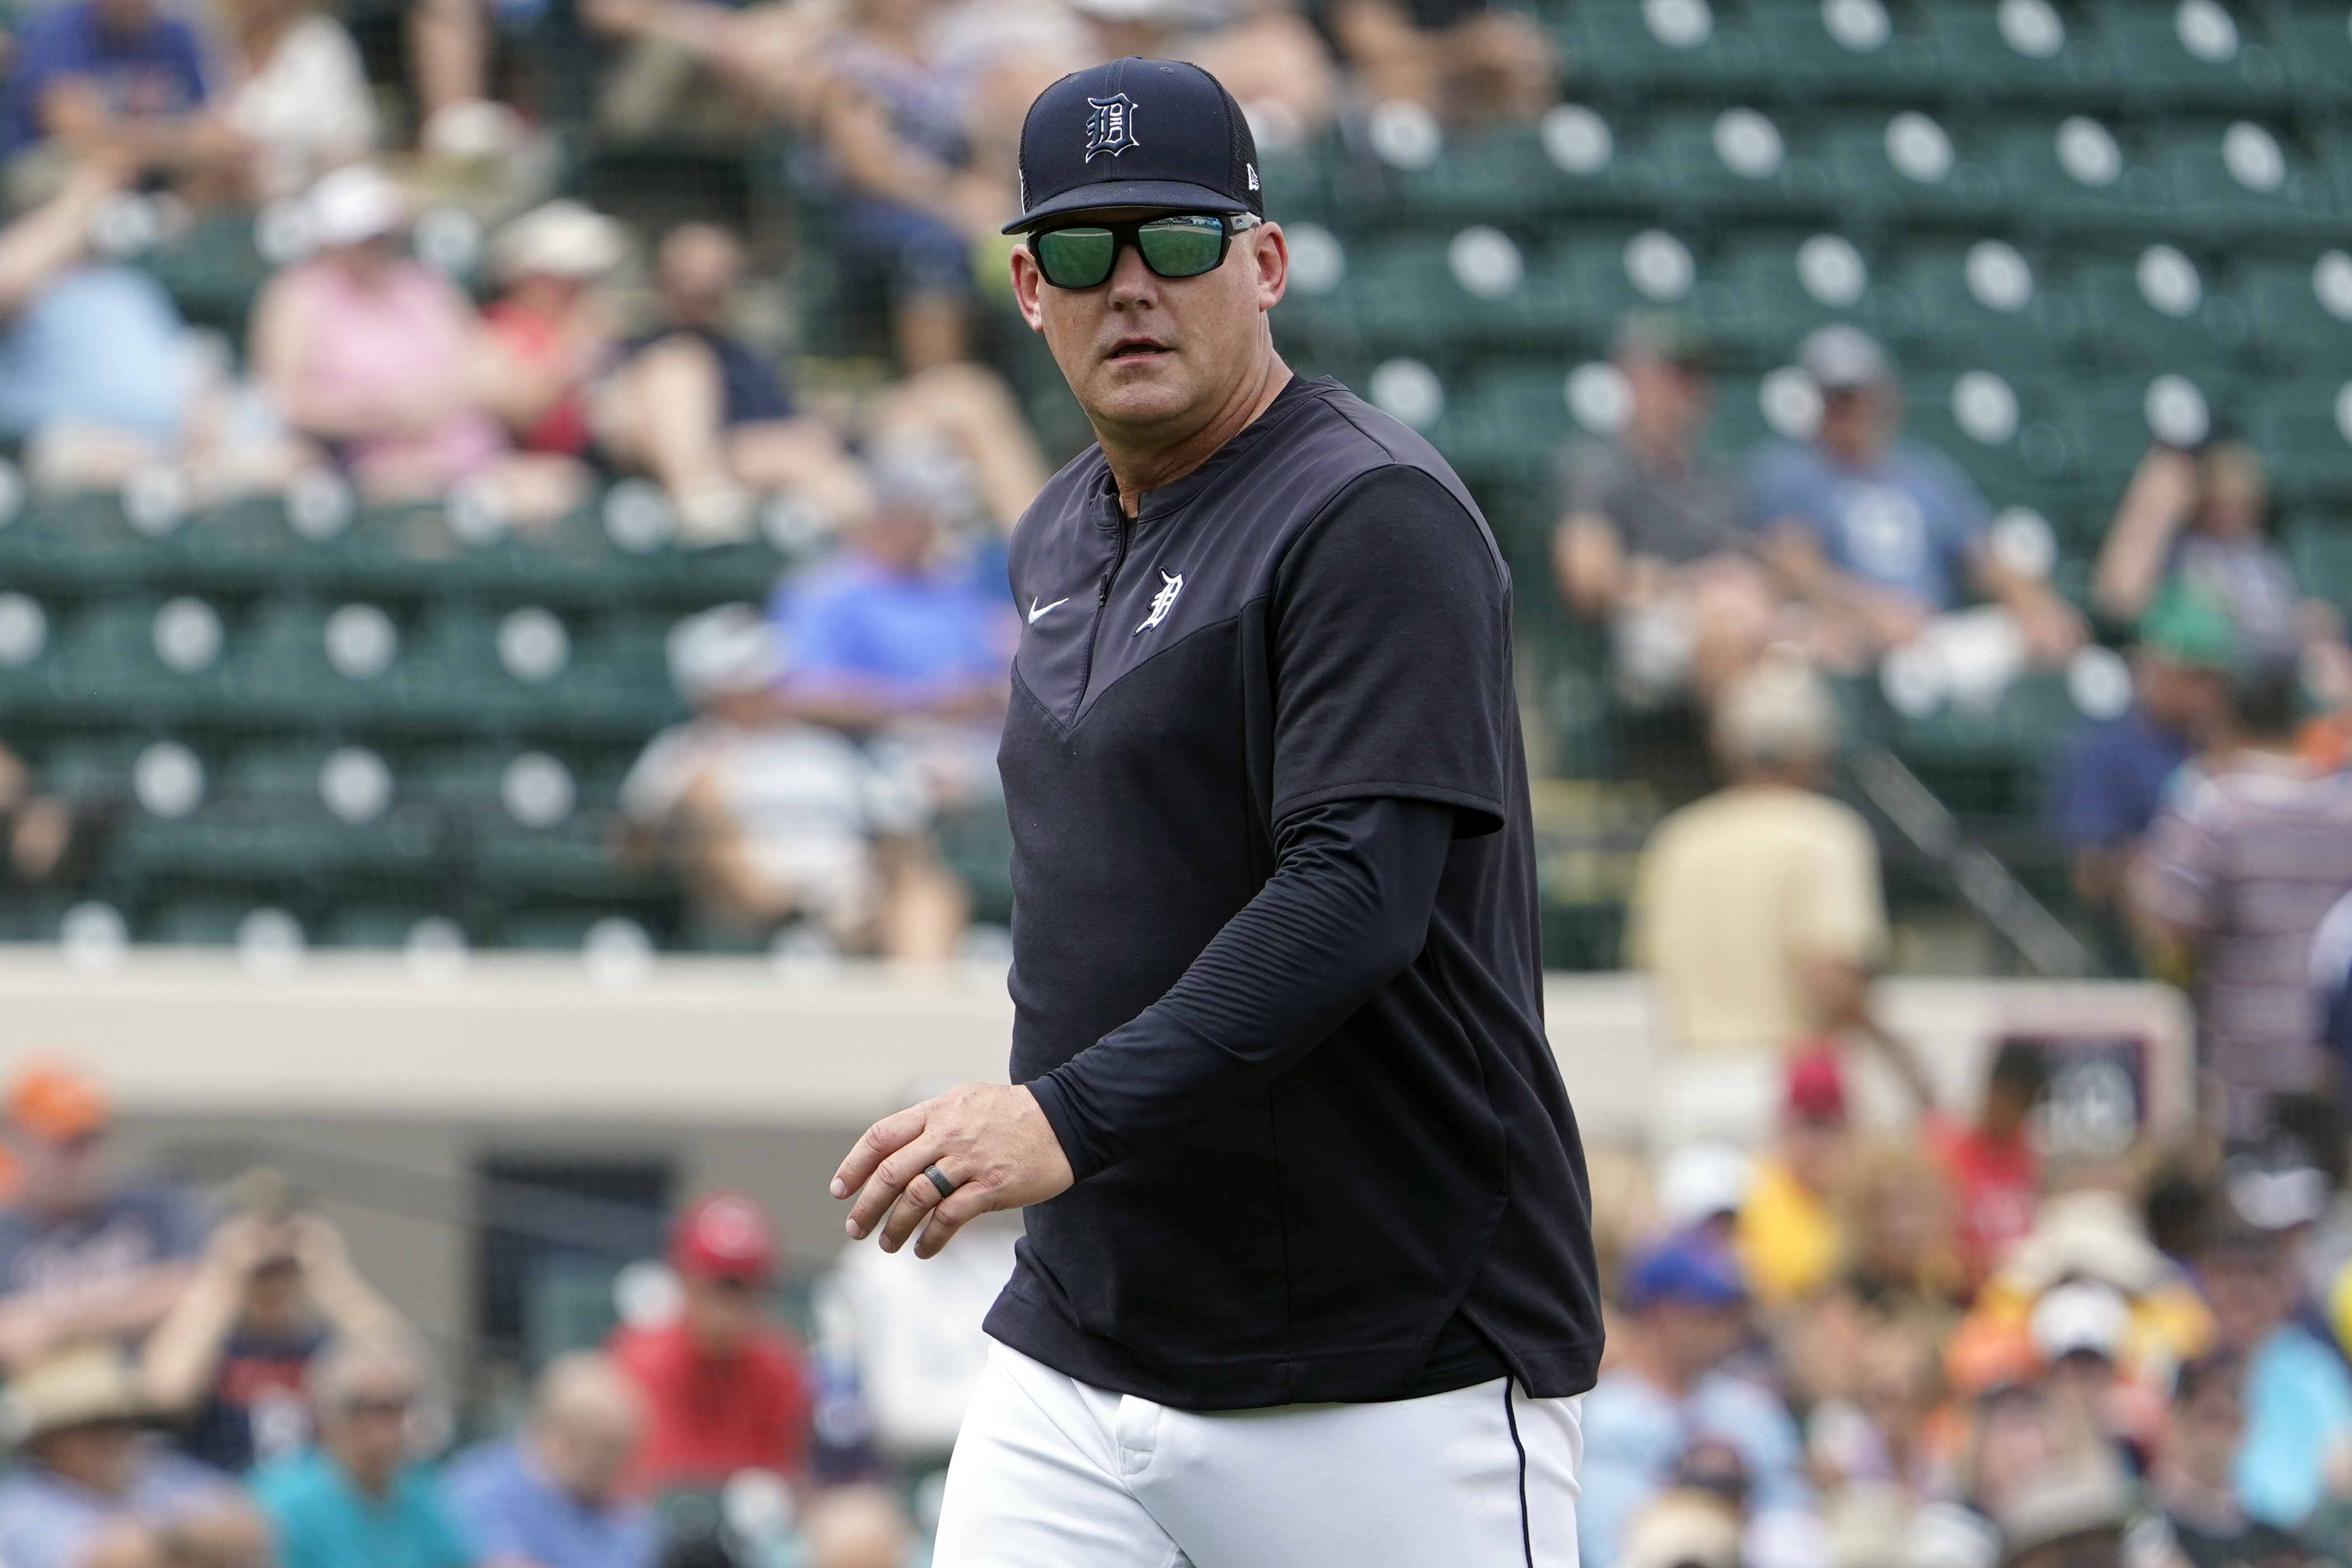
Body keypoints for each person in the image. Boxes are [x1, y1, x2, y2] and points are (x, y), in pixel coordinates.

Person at [828, 58, 1599, 1566]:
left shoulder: (1368, 514)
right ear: (1023, 289)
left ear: (1261, 264)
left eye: (1174, 242)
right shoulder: (1054, 527)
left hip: (1386, 1361)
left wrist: (1061, 1113)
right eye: (1077, 250)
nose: (1130, 288)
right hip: (1083, 1344)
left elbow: (1351, 899)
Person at [1626, 658, 1891, 1148]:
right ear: (1812, 749)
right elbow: (1829, 978)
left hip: (1687, 1083)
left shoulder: (1679, 839)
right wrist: (1901, 1058)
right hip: (1788, 1092)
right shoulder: (1826, 832)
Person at [1748, 325, 2083, 671]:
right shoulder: (1789, 472)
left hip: (1932, 634)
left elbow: (1986, 556)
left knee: (2044, 635)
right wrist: (1873, 609)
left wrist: (2032, 603)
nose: (1852, 411)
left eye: (1859, 395)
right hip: (1847, 631)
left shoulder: (1925, 474)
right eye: (1838, 399)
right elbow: (1794, 569)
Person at [249, 165, 566, 511]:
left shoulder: (423, 285)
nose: (374, 248)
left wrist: (448, 395)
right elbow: (286, 401)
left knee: (558, 488)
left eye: (382, 235)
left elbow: (488, 367)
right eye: (363, 238)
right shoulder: (301, 295)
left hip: (470, 458)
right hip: (367, 468)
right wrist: (383, 411)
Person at [2129, 666, 2352, 1142]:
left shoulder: (2215, 805)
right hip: (2336, 1053)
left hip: (2246, 1058)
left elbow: (2162, 918)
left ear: (2228, 725)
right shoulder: (2344, 802)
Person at [1553, 311, 1777, 709]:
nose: (1684, 388)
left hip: (1732, 615)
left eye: (1693, 375)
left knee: (1805, 642)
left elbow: (1758, 558)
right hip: (1640, 627)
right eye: (1669, 373)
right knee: (1727, 629)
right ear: (1632, 379)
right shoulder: (1600, 467)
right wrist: (1687, 583)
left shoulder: (1713, 478)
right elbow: (1586, 580)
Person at [597, 223, 872, 542]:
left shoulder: (747, 360)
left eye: (716, 275)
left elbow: (788, 429)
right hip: (664, 484)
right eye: (688, 273)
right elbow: (617, 428)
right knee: (680, 365)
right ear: (660, 277)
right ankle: (704, 505)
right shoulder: (636, 351)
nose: (702, 286)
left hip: (748, 477)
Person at [1577, 1233, 1813, 1567]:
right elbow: (1611, 1550)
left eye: (1732, 1310)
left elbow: (1792, 1519)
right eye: (1712, 1310)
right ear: (1663, 1314)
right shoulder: (1602, 1418)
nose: (1728, 1324)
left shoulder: (1753, 1409)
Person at [142, 1184, 408, 1475]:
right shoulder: (209, 1342)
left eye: (288, 1248)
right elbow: (164, 1395)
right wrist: (222, 1273)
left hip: (308, 1509)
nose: (273, 1268)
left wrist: (329, 1273)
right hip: (224, 1501)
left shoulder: (325, 1349)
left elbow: (399, 1368)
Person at [802, 0, 1006, 370]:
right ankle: (940, 385)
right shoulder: (849, 60)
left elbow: (981, 144)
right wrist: (953, 201)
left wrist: (988, 193)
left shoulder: (950, 58)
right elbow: (867, 166)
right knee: (932, 250)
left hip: (949, 203)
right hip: (868, 210)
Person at [2093, 441, 2352, 699]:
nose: (2236, 513)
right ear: (2206, 502)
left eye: (2245, 502)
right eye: (2226, 502)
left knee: (2330, 660)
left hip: (2277, 662)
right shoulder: (2191, 552)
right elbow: (2123, 598)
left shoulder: (2258, 552)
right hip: (2227, 671)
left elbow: (2278, 611)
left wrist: (2306, 622)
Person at [2047, 584, 2234, 928]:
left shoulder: (2230, 747)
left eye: (2213, 678)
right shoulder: (2106, 751)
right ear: (2150, 669)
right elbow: (2089, 876)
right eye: (2192, 677)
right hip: (2131, 949)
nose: (2206, 692)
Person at [0, 1060, 206, 1370]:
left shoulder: (155, 1205)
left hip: (149, 1401)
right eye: (63, 1144)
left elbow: (195, 1286)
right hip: (35, 1407)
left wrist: (57, 1325)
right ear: (20, 1142)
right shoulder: (8, 1232)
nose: (81, 1158)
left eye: (89, 1139)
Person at [607, 1191, 811, 1492]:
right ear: (687, 1278)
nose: (726, 1302)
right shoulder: (637, 1359)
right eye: (717, 1282)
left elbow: (787, 1477)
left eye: (739, 1285)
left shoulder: (779, 1367)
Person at [0, 1343, 269, 1568]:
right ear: (47, 1442)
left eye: (122, 1421)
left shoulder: (158, 1468)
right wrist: (189, 1538)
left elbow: (251, 1530)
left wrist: (160, 1538)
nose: (115, 1436)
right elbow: (110, 1561)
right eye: (95, 1425)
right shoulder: (21, 1502)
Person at [253, 1334, 472, 1568]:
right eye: (381, 1408)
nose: (400, 1423)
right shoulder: (280, 1506)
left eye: (406, 1405)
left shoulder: (424, 1495)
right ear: (332, 1414)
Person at [2192, 1220, 2352, 1532]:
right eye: (2226, 1272)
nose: (2240, 1285)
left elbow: (2342, 1461)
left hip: (2298, 1541)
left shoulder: (2311, 1368)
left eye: (2254, 1272)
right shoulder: (2194, 1372)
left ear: (2281, 1285)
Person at [1, 0, 240, 196]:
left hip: (153, 161)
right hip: (52, 161)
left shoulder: (178, 34)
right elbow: (74, 128)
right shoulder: (62, 26)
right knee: (106, 169)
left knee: (229, 165)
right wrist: (180, 141)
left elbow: (208, 125)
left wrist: (171, 147)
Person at [443, 1354, 655, 1568]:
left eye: (621, 1450)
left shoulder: (621, 1510)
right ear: (557, 1436)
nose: (613, 1465)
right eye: (605, 1447)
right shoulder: (482, 1489)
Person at [2153, 1352, 2325, 1568]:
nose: (2225, 1436)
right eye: (2213, 1417)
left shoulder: (2279, 1541)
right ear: (2178, 1419)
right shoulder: (2145, 1535)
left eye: (2234, 1418)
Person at [214, 0, 376, 201]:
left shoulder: (321, 40)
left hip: (311, 201)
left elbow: (352, 142)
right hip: (226, 206)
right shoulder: (213, 42)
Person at [1315, 0, 1556, 129]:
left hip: (1456, 104)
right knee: (1394, 79)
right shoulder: (1463, 46)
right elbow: (1368, 44)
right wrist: (1464, 49)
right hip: (1346, 90)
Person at [1926, 1043, 2051, 1291]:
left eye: (2027, 1106)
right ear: (1993, 1091)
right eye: (2014, 1101)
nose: (2018, 1115)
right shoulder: (1946, 1150)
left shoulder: (2028, 1155)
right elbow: (1931, 1244)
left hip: (2016, 1293)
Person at [1736, 1048, 1853, 1309]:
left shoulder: (1862, 1191)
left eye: (1830, 1126)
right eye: (1810, 1125)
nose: (1819, 1142)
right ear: (1784, 1126)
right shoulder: (1757, 1187)